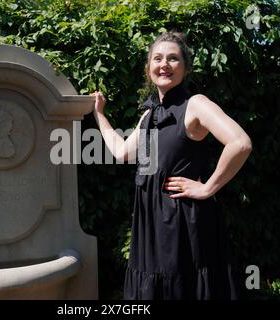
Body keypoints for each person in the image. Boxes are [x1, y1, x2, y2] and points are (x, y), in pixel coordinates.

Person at [91, 31, 252, 300]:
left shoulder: (196, 105)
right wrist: (99, 115)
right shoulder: (149, 115)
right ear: (149, 68)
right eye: (158, 58)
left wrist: (207, 188)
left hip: (183, 224)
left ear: (185, 68)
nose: (164, 64)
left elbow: (240, 143)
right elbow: (121, 153)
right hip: (150, 222)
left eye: (173, 59)